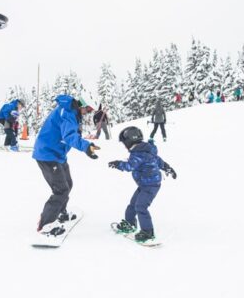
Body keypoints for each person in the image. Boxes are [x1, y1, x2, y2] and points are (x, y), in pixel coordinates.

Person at [32, 95, 100, 237]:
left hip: (57, 154)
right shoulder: (68, 112)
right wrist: (86, 147)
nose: (88, 112)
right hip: (47, 155)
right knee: (61, 190)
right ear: (81, 105)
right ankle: (46, 225)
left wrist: (86, 145)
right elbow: (69, 136)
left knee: (67, 184)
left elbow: (72, 134)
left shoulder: (72, 112)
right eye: (88, 109)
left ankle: (61, 214)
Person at [108, 126, 177, 243]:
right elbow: (159, 161)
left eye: (124, 143)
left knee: (141, 206)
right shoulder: (146, 150)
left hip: (150, 186)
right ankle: (130, 223)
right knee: (133, 204)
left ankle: (148, 232)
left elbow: (130, 166)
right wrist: (168, 168)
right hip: (145, 184)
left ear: (129, 141)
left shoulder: (138, 153)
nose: (124, 146)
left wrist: (118, 164)